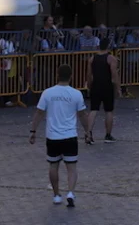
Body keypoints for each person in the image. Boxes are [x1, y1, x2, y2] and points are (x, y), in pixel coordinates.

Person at [29, 63, 87, 208]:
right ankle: (71, 192)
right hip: (70, 135)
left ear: (57, 75)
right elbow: (82, 115)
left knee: (53, 165)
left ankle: (56, 195)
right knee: (71, 167)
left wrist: (33, 131)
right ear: (71, 76)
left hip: (52, 136)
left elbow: (39, 113)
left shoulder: (47, 93)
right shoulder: (76, 94)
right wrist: (87, 131)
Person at [85, 38, 119, 144]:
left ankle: (88, 133)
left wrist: (89, 86)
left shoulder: (92, 58)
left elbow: (89, 75)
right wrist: (117, 88)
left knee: (93, 109)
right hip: (107, 86)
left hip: (96, 85)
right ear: (108, 46)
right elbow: (114, 75)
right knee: (109, 110)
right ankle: (108, 135)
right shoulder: (111, 58)